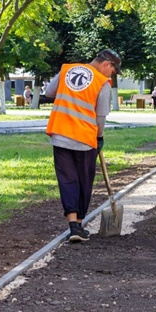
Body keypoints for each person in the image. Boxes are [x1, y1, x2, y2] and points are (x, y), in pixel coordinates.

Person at [45, 49, 120, 242]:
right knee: (84, 181)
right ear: (107, 64)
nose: (112, 74)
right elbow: (100, 116)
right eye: (113, 70)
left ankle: (73, 226)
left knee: (67, 180)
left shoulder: (67, 70)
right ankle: (78, 224)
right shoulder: (101, 82)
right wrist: (100, 137)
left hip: (60, 134)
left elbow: (48, 92)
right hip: (85, 140)